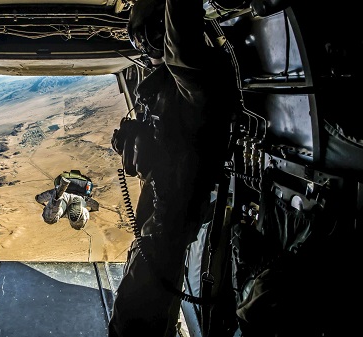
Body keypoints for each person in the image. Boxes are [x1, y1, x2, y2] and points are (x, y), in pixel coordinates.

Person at [108, 0, 240, 336]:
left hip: (172, 218)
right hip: (163, 209)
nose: (142, 52)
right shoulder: (173, 89)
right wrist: (137, 145)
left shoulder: (193, 80)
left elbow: (181, 48)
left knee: (133, 313)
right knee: (146, 308)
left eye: (146, 41)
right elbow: (172, 148)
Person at [35, 170, 99, 230]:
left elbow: (94, 204)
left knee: (50, 218)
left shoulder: (86, 198)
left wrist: (39, 199)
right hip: (75, 198)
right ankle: (57, 197)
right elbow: (95, 205)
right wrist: (39, 199)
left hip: (66, 197)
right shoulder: (85, 197)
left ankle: (57, 197)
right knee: (77, 225)